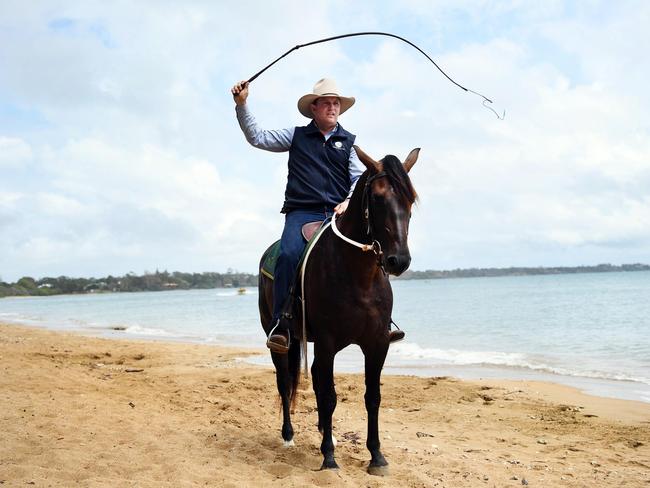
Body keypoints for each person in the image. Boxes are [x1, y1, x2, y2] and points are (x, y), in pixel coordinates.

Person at [232, 77, 404, 353]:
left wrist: (348, 201)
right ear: (314, 107)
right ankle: (282, 324)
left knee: (373, 250)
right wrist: (242, 105)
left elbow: (357, 179)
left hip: (337, 213)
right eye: (327, 103)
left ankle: (382, 320)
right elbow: (258, 137)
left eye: (336, 103)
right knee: (288, 255)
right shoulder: (296, 135)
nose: (333, 107)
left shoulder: (349, 142)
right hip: (301, 213)